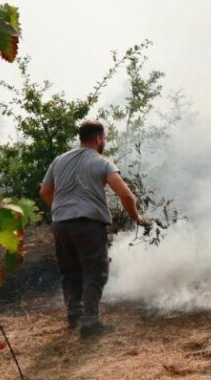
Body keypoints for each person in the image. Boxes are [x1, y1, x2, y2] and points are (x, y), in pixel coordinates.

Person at [39, 120, 143, 338]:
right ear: (98, 139)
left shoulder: (58, 161)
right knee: (94, 271)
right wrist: (137, 217)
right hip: (87, 224)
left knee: (70, 270)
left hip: (60, 224)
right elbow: (125, 195)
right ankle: (90, 322)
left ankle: (73, 313)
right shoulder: (102, 162)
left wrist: (60, 211)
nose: (103, 142)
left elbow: (45, 191)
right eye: (103, 138)